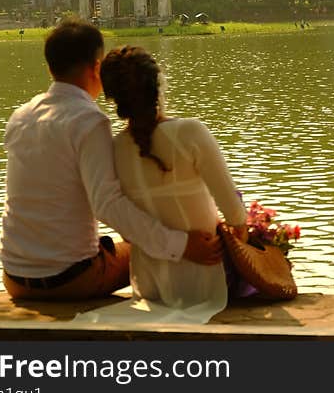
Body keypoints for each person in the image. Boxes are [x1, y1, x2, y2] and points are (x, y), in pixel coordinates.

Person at [0, 18, 223, 301]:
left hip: (14, 277)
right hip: (68, 279)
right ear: (96, 67)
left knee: (141, 241)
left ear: (50, 67)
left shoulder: (20, 116)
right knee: (151, 252)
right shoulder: (88, 121)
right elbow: (107, 205)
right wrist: (183, 245)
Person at [99, 45, 248, 314]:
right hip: (208, 283)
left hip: (150, 287)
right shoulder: (190, 132)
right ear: (158, 85)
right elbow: (235, 214)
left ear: (114, 99)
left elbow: (126, 230)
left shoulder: (113, 148)